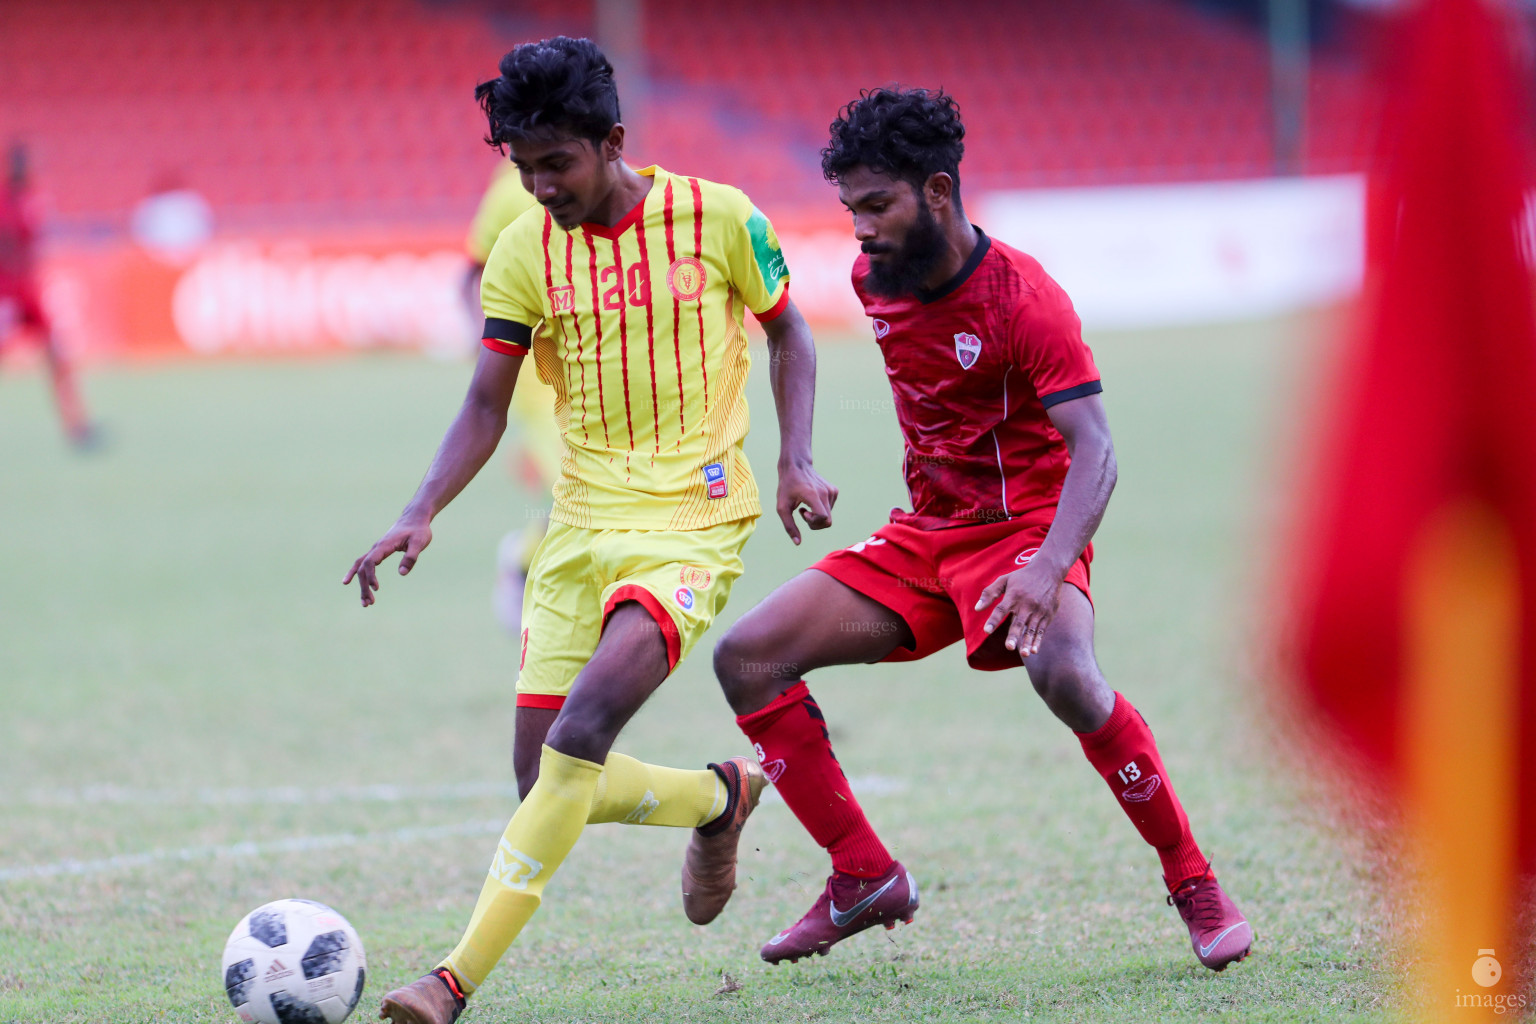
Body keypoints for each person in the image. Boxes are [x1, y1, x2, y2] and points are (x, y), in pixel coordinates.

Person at [344, 37, 836, 1024]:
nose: (538, 186)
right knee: (544, 779)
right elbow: (486, 402)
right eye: (523, 168)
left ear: (612, 141)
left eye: (555, 163)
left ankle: (450, 982)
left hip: (692, 521)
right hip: (578, 528)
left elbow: (790, 330)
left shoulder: (721, 218)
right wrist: (419, 508)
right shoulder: (525, 250)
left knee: (578, 738)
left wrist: (793, 458)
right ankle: (716, 797)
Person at [712, 88, 1253, 972]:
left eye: (876, 206)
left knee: (1067, 674)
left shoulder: (1025, 300)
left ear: (936, 190)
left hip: (1027, 532)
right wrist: (797, 458)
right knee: (748, 658)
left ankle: (1192, 878)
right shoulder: (871, 281)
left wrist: (1046, 569)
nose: (860, 230)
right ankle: (862, 874)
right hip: (927, 540)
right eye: (850, 209)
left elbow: (1099, 454)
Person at [463, 162, 563, 634]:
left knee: (591, 484)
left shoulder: (594, 178)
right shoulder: (509, 190)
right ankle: (526, 569)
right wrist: (483, 346)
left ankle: (524, 558)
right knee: (571, 481)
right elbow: (472, 272)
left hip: (591, 359)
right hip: (532, 364)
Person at [0, 143, 96, 448]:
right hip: (5, 291)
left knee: (57, 354)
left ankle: (77, 425)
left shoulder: (31, 199)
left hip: (28, 291)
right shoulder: (4, 200)